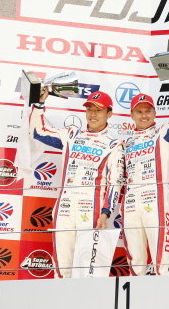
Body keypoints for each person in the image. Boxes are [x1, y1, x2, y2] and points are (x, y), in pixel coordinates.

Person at [30, 90, 124, 278]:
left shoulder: (114, 145)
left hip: (91, 213)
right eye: (89, 109)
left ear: (109, 113)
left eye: (98, 110)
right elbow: (38, 132)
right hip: (64, 210)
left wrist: (106, 213)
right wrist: (39, 105)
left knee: (86, 270)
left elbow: (115, 183)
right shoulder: (72, 135)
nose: (92, 114)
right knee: (62, 269)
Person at [122, 65, 169, 276]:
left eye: (148, 111)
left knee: (162, 261)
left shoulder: (164, 134)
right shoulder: (125, 143)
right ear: (132, 114)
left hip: (156, 203)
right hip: (131, 206)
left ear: (155, 112)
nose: (144, 116)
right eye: (139, 111)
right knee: (136, 263)